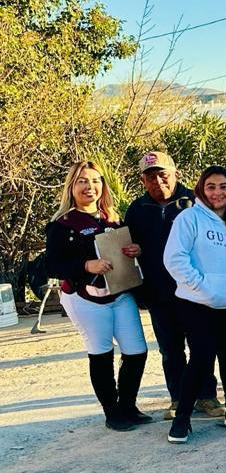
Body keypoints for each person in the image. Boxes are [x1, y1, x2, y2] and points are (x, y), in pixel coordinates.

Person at [45, 161, 149, 432]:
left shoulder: (113, 218)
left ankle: (128, 405)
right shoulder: (62, 224)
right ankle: (111, 411)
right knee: (101, 352)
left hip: (120, 292)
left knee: (137, 351)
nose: (89, 187)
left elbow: (128, 250)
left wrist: (136, 250)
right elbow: (52, 264)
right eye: (82, 181)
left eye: (95, 181)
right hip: (85, 297)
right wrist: (85, 265)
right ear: (72, 186)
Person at [162, 167, 226, 444]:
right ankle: (182, 418)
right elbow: (175, 258)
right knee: (201, 357)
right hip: (197, 302)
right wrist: (202, 286)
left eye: (224, 187)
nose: (218, 193)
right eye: (211, 187)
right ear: (201, 189)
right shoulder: (189, 218)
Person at [124, 151, 223, 421]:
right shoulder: (136, 210)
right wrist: (134, 251)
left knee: (201, 344)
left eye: (163, 174)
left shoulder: (195, 201)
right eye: (151, 177)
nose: (158, 181)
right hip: (159, 292)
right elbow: (128, 248)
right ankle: (179, 398)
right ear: (143, 181)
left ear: (176, 173)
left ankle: (206, 396)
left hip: (195, 289)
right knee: (170, 349)